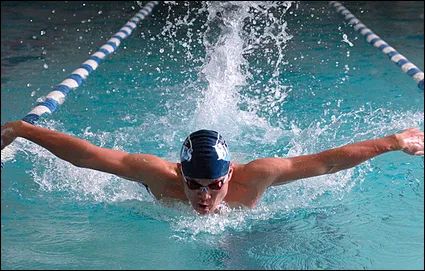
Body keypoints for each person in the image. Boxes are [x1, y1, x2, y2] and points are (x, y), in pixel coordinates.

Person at [1, 120, 424, 215]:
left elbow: (328, 163)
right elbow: (88, 156)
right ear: (179, 173)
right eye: (195, 184)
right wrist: (22, 129)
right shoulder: (156, 175)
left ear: (231, 175)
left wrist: (393, 142)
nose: (204, 195)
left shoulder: (258, 175)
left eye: (214, 185)